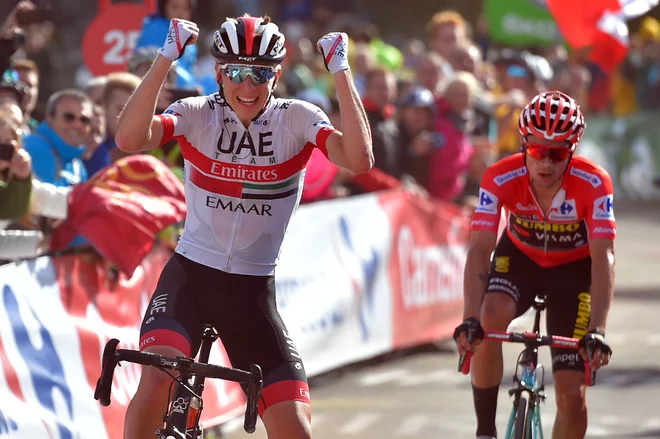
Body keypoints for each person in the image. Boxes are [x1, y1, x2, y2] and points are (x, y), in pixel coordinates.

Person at [115, 15, 372, 439]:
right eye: (235, 72)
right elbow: (128, 138)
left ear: (276, 75)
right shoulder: (197, 113)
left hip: (251, 294)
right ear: (219, 73)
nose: (247, 86)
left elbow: (359, 160)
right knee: (156, 384)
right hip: (190, 279)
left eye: (260, 73)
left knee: (296, 429)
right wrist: (165, 56)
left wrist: (341, 70)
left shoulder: (297, 119)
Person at [453, 90, 615, 439]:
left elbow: (603, 257)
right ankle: (485, 431)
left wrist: (598, 329)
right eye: (538, 152)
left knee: (572, 399)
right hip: (520, 260)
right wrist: (470, 318)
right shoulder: (498, 177)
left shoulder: (594, 183)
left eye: (557, 155)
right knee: (489, 316)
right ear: (524, 145)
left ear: (572, 151)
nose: (546, 164)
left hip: (572, 274)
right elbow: (480, 248)